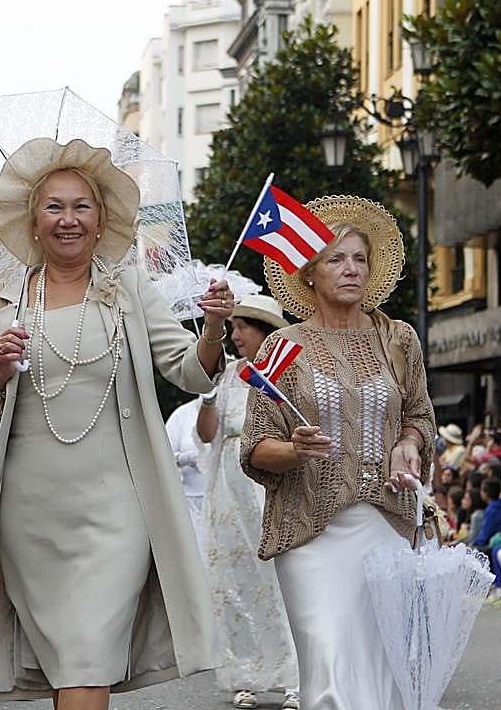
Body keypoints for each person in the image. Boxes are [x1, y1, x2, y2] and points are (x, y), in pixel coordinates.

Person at [0, 137, 230, 710]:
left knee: (87, 649)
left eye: (82, 206)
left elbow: (190, 373)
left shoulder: (130, 291)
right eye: (54, 206)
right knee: (70, 663)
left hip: (117, 506)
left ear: (102, 221)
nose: (68, 219)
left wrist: (214, 331)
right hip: (29, 511)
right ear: (33, 221)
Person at [241, 195, 435, 710]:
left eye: (360, 259)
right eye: (336, 259)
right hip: (309, 529)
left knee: (385, 670)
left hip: (386, 523)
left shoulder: (399, 339)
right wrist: (295, 450)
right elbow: (256, 447)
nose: (351, 270)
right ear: (309, 273)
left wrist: (408, 447)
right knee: (327, 663)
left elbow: (419, 416)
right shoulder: (282, 346)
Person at [196, 294, 299, 710]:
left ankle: (295, 677)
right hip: (230, 489)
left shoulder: (290, 370)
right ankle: (244, 676)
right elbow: (206, 435)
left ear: (265, 331)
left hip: (274, 484)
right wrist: (206, 394)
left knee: (284, 582)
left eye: (242, 327)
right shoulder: (230, 374)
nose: (234, 335)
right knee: (236, 583)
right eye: (233, 327)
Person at [165, 396, 210, 560]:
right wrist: (185, 458)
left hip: (225, 497)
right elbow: (162, 454)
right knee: (197, 556)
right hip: (192, 503)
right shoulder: (182, 415)